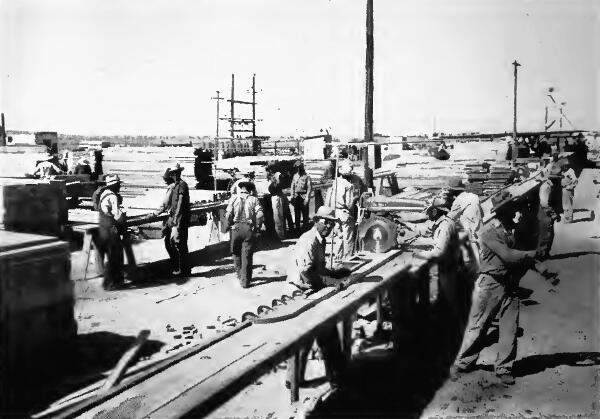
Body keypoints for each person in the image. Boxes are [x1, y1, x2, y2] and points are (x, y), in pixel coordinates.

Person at [451, 191, 537, 386]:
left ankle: (504, 368)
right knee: (478, 327)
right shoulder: (490, 233)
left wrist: (537, 263)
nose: (517, 212)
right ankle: (463, 363)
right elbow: (509, 256)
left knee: (509, 327)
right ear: (503, 213)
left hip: (510, 283)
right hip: (490, 284)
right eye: (513, 209)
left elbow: (522, 257)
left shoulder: (512, 232)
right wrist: (533, 254)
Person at [286, 206, 348, 388]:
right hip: (301, 290)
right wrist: (332, 281)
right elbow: (307, 274)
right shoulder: (309, 240)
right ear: (316, 221)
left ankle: (336, 375)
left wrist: (334, 274)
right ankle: (293, 379)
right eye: (325, 222)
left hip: (313, 287)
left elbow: (317, 269)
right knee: (305, 337)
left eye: (331, 223)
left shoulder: (321, 239)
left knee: (327, 331)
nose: (329, 226)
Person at [153, 163, 191, 276]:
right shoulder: (176, 185)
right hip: (176, 216)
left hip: (180, 217)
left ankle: (183, 270)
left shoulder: (182, 185)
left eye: (174, 173)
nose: (174, 175)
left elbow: (180, 202)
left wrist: (176, 218)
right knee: (174, 242)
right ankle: (181, 268)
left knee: (178, 243)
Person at [224, 181, 264, 288]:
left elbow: (228, 215)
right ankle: (245, 281)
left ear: (240, 188)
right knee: (246, 255)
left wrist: (227, 227)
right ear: (250, 190)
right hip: (248, 227)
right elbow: (260, 214)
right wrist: (257, 227)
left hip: (236, 228)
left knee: (236, 253)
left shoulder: (233, 199)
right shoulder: (254, 199)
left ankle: (239, 275)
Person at [324, 160, 358, 263]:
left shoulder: (335, 182)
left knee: (338, 236)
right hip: (344, 213)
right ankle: (347, 258)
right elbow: (349, 204)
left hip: (335, 212)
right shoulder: (349, 186)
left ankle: (337, 258)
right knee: (347, 236)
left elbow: (329, 198)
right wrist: (355, 198)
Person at [98, 174, 127, 290]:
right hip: (111, 228)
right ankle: (113, 282)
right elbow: (117, 215)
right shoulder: (113, 197)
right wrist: (123, 216)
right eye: (119, 184)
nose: (120, 186)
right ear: (115, 185)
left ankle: (110, 282)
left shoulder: (103, 194)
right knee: (116, 255)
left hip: (103, 228)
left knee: (110, 255)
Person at [443, 177, 483, 260]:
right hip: (479, 232)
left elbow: (450, 217)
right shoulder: (474, 196)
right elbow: (481, 213)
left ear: (453, 190)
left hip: (469, 235)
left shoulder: (459, 200)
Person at [537, 165, 561, 259]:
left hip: (546, 214)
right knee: (546, 235)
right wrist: (554, 215)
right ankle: (541, 255)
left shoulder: (548, 185)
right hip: (545, 214)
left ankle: (544, 254)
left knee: (548, 234)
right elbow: (544, 204)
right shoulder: (546, 187)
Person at [291, 161, 313, 233]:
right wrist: (292, 197)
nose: (298, 169)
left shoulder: (307, 176)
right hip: (297, 197)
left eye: (299, 167)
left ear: (302, 167)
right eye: (297, 167)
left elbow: (309, 187)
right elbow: (293, 187)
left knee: (305, 215)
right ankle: (297, 231)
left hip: (304, 197)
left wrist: (307, 198)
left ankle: (305, 231)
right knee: (297, 215)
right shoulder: (295, 176)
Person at [269, 171, 287, 239]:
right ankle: (279, 235)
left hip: (278, 199)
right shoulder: (275, 184)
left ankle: (281, 234)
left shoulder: (277, 183)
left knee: (280, 217)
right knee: (277, 217)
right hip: (276, 199)